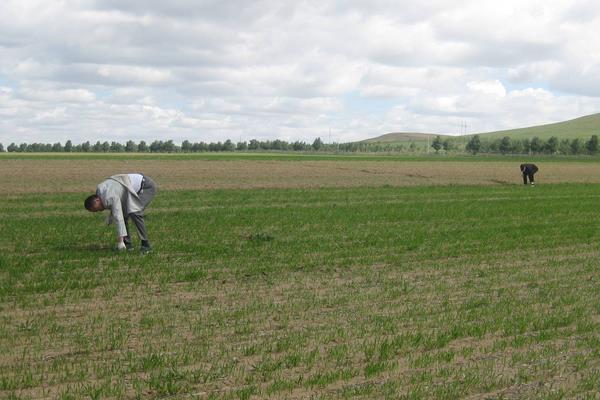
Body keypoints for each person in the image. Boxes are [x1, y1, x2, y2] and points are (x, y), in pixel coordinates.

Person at [84, 173, 157, 252]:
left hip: (146, 186)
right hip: (129, 188)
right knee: (125, 214)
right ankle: (128, 244)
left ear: (97, 200)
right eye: (96, 211)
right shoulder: (100, 191)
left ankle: (145, 245)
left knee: (135, 212)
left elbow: (118, 217)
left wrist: (120, 241)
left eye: (96, 209)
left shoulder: (109, 197)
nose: (99, 210)